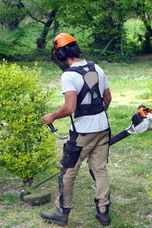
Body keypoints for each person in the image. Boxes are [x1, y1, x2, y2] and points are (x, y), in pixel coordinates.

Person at [41, 33, 112, 226]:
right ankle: (103, 212)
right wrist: (96, 117)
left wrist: (52, 116)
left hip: (82, 133)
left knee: (68, 171)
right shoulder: (97, 68)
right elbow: (107, 100)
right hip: (103, 128)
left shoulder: (69, 75)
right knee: (99, 169)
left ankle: (61, 212)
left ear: (61, 54)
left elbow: (70, 107)